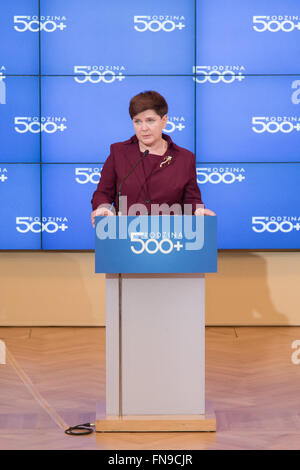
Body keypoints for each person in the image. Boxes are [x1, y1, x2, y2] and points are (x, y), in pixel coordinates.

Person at [91, 90, 215, 227]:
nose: (144, 128)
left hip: (169, 237)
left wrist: (198, 211)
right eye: (137, 121)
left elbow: (191, 199)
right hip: (125, 236)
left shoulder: (184, 158)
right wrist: (102, 208)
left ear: (164, 121)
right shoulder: (118, 152)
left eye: (150, 120)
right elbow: (103, 193)